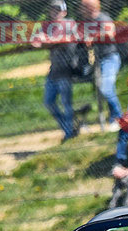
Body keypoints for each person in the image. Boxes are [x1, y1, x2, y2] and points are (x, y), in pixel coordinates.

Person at [32, 0, 76, 142]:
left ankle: (69, 134)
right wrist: (44, 40)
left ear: (64, 11)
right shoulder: (47, 26)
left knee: (66, 103)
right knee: (48, 102)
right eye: (53, 9)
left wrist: (49, 40)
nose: (55, 12)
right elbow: (35, 41)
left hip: (66, 69)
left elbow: (71, 39)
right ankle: (68, 128)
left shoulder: (70, 24)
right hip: (53, 71)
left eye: (58, 9)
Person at [80, 0, 123, 132]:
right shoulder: (85, 22)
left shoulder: (103, 18)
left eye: (83, 7)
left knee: (106, 88)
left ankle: (118, 118)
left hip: (110, 58)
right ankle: (109, 120)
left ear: (91, 7)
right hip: (97, 61)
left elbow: (110, 33)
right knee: (102, 91)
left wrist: (93, 37)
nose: (81, 9)